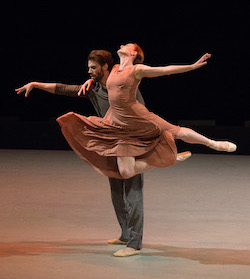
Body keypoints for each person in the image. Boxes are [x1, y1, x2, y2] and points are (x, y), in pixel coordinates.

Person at [16, 50, 148, 257]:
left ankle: (134, 243)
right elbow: (63, 89)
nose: (89, 71)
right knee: (116, 192)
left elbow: (141, 111)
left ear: (106, 67)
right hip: (110, 143)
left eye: (93, 68)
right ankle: (125, 233)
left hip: (132, 141)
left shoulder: (124, 84)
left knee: (133, 193)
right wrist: (35, 84)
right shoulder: (93, 88)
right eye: (89, 67)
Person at [56, 43, 236, 181]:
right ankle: (163, 159)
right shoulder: (114, 69)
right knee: (126, 172)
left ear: (134, 53)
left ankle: (213, 143)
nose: (121, 45)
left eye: (126, 45)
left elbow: (165, 71)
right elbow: (97, 75)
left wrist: (191, 66)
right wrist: (89, 81)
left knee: (175, 131)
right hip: (119, 123)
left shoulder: (137, 70)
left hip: (137, 116)